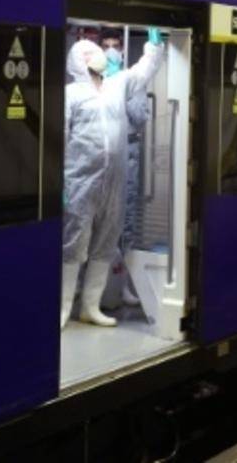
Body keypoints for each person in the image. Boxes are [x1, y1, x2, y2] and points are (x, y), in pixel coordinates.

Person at [62, 27, 165, 328]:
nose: (99, 55)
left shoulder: (116, 84)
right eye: (89, 52)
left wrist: (154, 47)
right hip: (79, 181)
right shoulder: (70, 94)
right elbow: (61, 139)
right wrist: (60, 184)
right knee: (72, 244)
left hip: (114, 181)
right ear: (77, 61)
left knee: (106, 242)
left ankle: (90, 308)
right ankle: (63, 309)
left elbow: (142, 71)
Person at [100, 28, 151, 308]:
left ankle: (127, 284)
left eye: (114, 45)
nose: (109, 51)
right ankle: (99, 287)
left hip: (128, 152)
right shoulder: (92, 81)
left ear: (122, 50)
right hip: (102, 154)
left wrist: (122, 89)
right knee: (99, 220)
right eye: (104, 45)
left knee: (126, 219)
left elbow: (140, 116)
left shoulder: (133, 80)